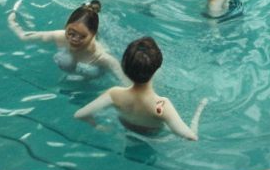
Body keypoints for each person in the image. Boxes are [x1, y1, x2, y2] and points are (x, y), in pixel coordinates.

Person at [74, 37, 208, 139]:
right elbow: (191, 137)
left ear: (124, 68)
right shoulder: (161, 106)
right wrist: (199, 110)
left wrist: (98, 126)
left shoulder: (114, 94)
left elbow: (80, 114)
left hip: (125, 127)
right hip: (153, 137)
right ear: (156, 69)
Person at [8, 0, 125, 81]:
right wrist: (12, 18)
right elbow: (23, 36)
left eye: (82, 36)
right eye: (71, 33)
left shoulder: (100, 57)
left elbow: (125, 81)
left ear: (93, 35)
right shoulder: (59, 37)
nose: (74, 39)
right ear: (66, 26)